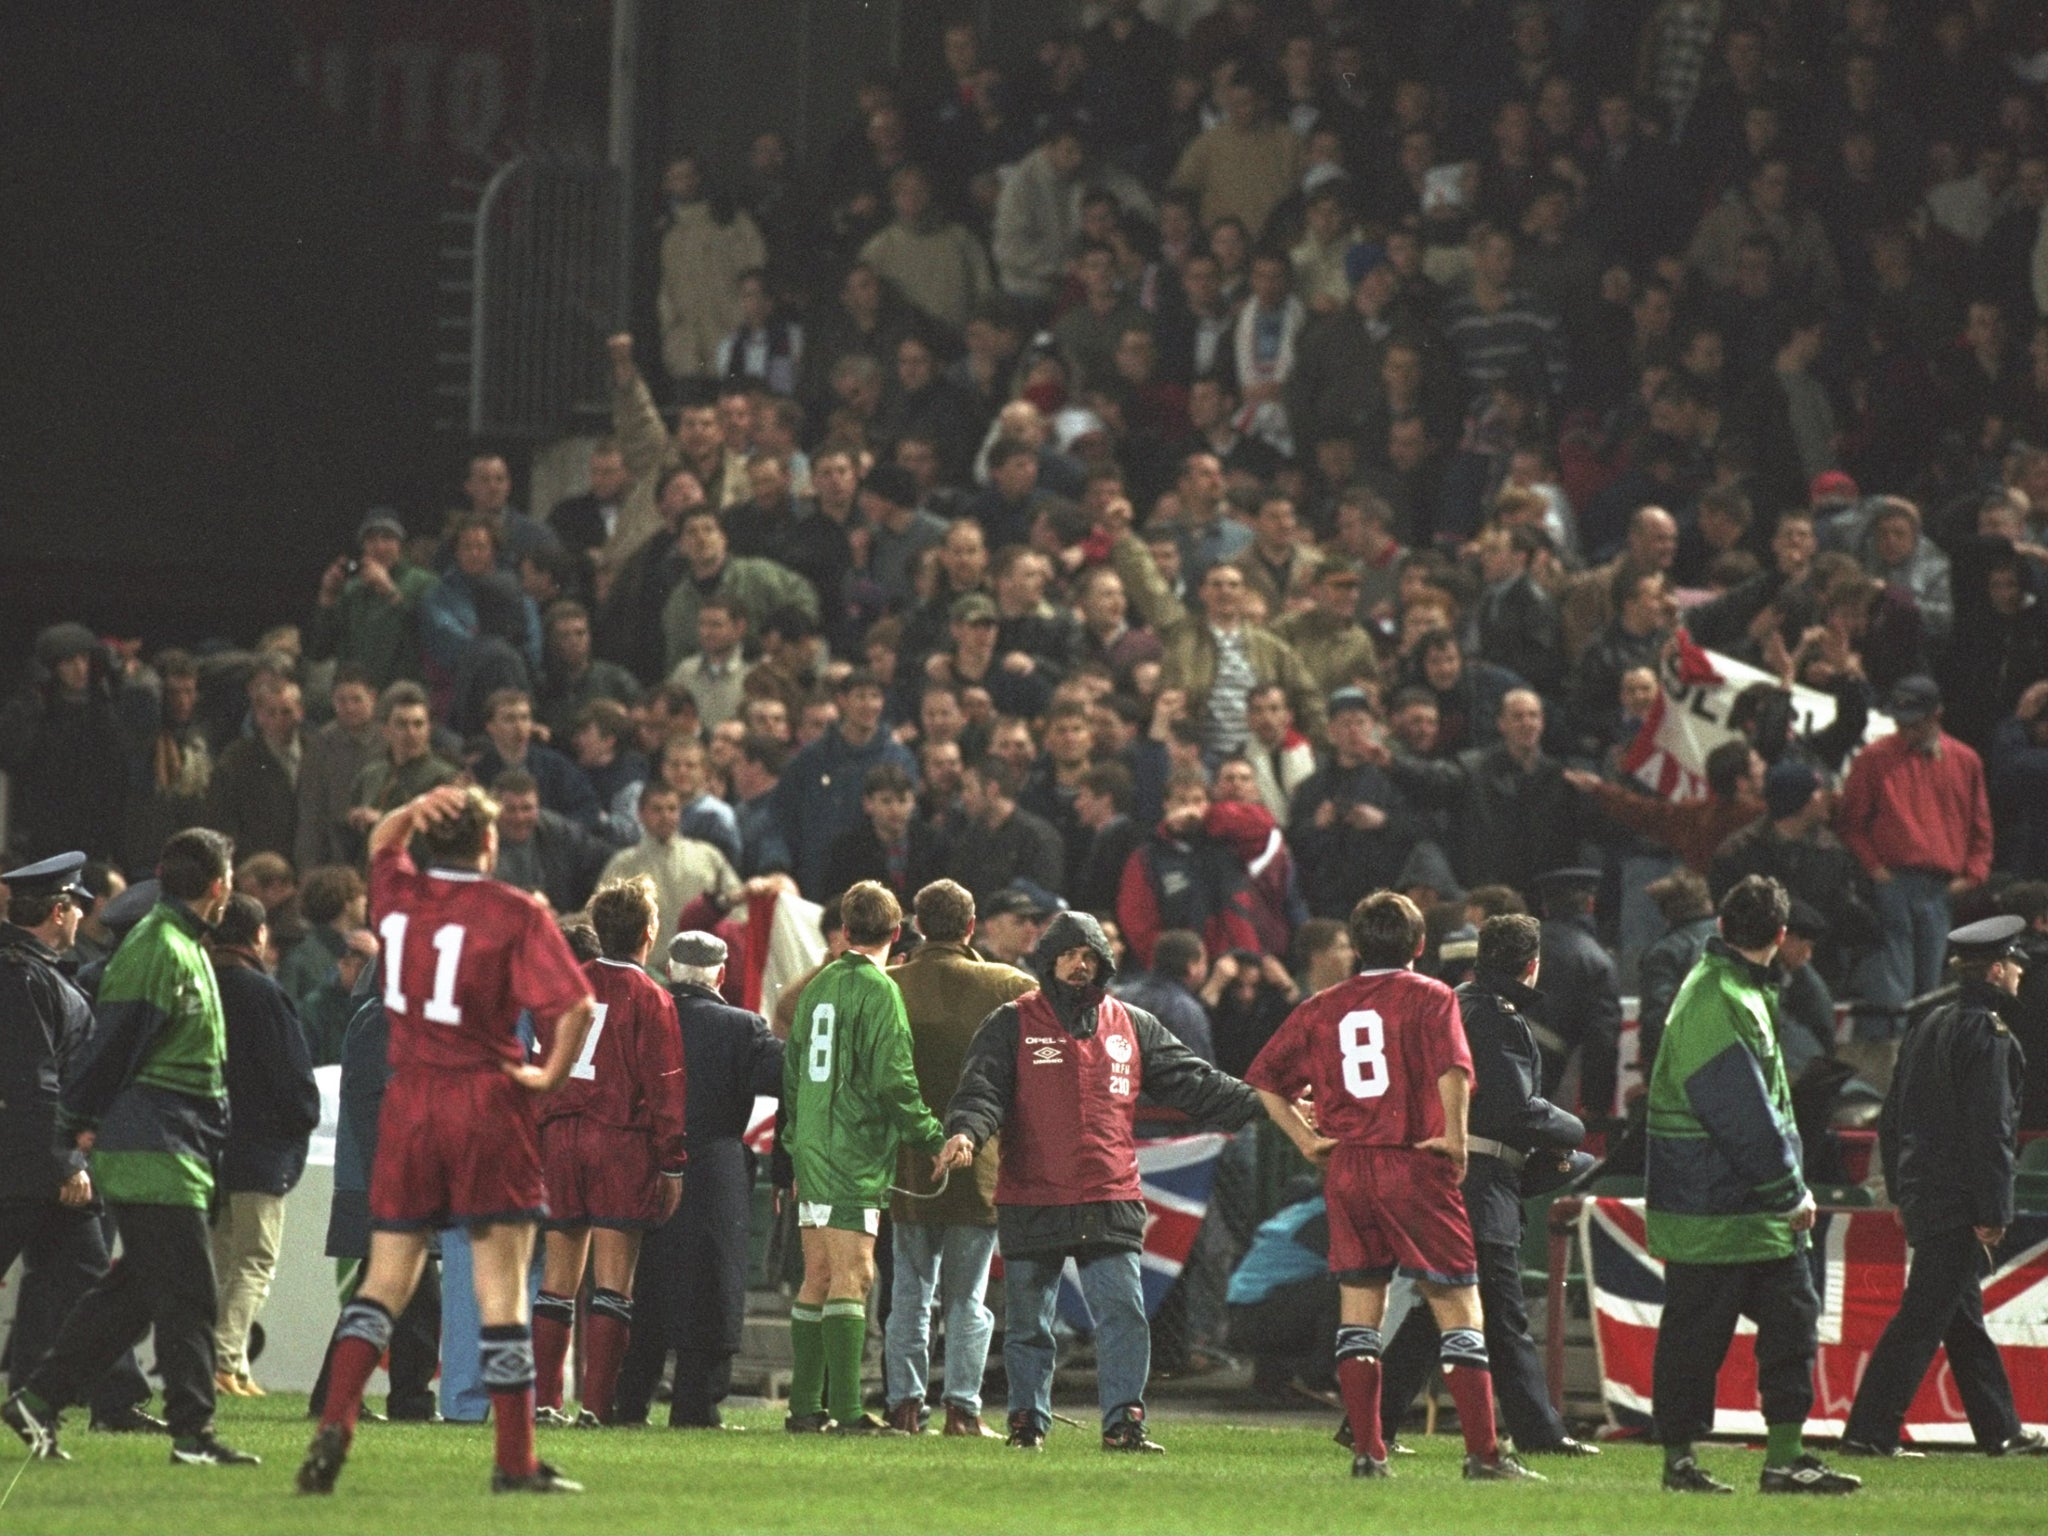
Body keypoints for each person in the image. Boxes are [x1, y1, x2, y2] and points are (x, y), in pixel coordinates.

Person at [296, 785, 595, 1497]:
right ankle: (515, 1461)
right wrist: (545, 1075)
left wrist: (415, 805)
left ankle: (335, 1424)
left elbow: (382, 844)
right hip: (486, 1100)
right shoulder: (514, 911)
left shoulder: (397, 894)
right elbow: (576, 1004)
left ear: (432, 837)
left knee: (384, 1280)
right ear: (490, 846)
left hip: (411, 1099)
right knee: (500, 1289)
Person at [937, 910, 1263, 1454]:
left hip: (1110, 1195)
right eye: (1068, 955)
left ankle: (1124, 1423)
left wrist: (1263, 1102)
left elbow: (1194, 1082)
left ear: (1103, 964)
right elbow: (981, 1091)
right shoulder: (1011, 1021)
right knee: (1028, 1324)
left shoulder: (1132, 1024)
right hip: (1032, 1194)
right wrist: (967, 1132)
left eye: (1088, 956)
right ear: (1049, 961)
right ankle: (1026, 1423)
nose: (1078, 965)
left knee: (1125, 1315)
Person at [1243, 891, 1542, 1483]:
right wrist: (1455, 1139)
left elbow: (1266, 1081)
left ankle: (1369, 1452)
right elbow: (1453, 1069)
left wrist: (1306, 1142)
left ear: (1355, 948)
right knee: (1459, 1306)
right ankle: (1483, 1455)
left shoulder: (1323, 1005)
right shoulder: (1432, 996)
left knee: (1360, 1311)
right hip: (1413, 1160)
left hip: (1350, 1168)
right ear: (1421, 945)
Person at [4, 830, 258, 1468]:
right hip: (154, 1149)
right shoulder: (160, 948)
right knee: (190, 1293)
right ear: (219, 885)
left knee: (131, 1295)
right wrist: (74, 1135)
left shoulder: (178, 944)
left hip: (173, 1148)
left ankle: (39, 1400)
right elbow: (111, 1047)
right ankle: (193, 1434)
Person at [1646, 874, 1859, 1497]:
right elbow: (1740, 1113)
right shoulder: (1720, 997)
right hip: (1718, 1207)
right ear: (1782, 935)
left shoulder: (1729, 989)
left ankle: (1781, 1459)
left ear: (1720, 927)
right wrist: (1790, 1191)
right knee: (1702, 1337)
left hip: (1739, 1208)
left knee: (1782, 1325)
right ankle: (1683, 1463)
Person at [1373, 913, 1594, 1457]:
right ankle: (1539, 1433)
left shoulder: (1452, 1006)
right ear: (1531, 966)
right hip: (1482, 1184)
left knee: (1436, 1310)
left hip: (1445, 1179)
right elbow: (1513, 1111)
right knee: (1503, 1314)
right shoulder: (1496, 1018)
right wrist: (1573, 1128)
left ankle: (1369, 1423)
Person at [1840, 916, 2048, 1459]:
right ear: (2000, 970)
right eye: (2017, 966)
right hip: (1960, 1202)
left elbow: (1894, 1117)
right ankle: (1868, 1431)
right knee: (1922, 1318)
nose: (2021, 975)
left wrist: (1903, 1192)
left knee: (1960, 1317)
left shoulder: (1930, 1023)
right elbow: (1991, 1131)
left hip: (1928, 1195)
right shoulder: (1992, 1036)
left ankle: (1999, 1429)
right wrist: (1994, 1208)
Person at [0, 853, 157, 1436]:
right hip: (26, 1166)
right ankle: (111, 1402)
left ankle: (112, 1403)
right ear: (59, 909)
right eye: (76, 905)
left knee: (91, 1282)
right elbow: (34, 1082)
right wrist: (67, 1161)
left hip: (31, 1163)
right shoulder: (21, 975)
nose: (80, 917)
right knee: (91, 1282)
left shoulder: (34, 970)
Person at [783, 881, 947, 1435]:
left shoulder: (816, 987)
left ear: (845, 932)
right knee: (853, 1277)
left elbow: (793, 1073)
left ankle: (806, 1406)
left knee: (819, 1276)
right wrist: (931, 1137)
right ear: (896, 934)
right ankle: (848, 1410)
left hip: (812, 1146)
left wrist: (794, 1145)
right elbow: (893, 1079)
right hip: (851, 1152)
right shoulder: (880, 991)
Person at [882, 880, 1037, 1437]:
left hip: (906, 1162)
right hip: (981, 1162)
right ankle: (963, 1410)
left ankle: (903, 1406)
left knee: (909, 1293)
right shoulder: (1010, 985)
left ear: (918, 925)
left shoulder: (888, 984)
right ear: (971, 926)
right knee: (968, 1297)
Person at [531, 877, 687, 1427]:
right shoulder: (651, 996)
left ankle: (545, 1403)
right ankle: (596, 1406)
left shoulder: (565, 986)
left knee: (558, 1275)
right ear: (650, 932)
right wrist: (672, 1162)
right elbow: (664, 1085)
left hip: (559, 1134)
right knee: (613, 1281)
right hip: (618, 1138)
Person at [614, 930, 782, 1428]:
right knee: (711, 1287)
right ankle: (696, 1404)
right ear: (721, 975)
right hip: (715, 1169)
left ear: (669, 971)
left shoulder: (644, 1016)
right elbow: (787, 1082)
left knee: (640, 1286)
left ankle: (629, 1401)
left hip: (641, 1163)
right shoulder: (742, 1028)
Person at [206, 893, 321, 1399]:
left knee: (225, 1263)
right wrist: (301, 1123)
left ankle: (228, 1367)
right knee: (254, 1261)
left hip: (211, 1147)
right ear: (258, 936)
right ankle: (225, 1359)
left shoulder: (203, 984)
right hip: (261, 1151)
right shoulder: (264, 994)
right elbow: (293, 1079)